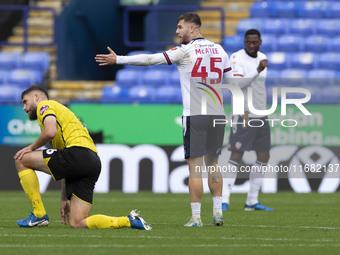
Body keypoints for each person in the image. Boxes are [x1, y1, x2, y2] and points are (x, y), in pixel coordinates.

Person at [95, 12, 232, 227]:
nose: (176, 32)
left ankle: (196, 218)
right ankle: (218, 212)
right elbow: (230, 79)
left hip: (194, 115)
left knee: (195, 167)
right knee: (213, 164)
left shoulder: (185, 51)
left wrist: (119, 59)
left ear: (193, 29)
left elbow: (151, 59)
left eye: (180, 27)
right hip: (216, 114)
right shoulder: (220, 49)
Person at [14, 85, 151, 230]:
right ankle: (129, 221)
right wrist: (63, 198)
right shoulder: (64, 116)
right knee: (78, 222)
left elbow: (50, 132)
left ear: (36, 97)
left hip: (77, 154)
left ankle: (39, 214)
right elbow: (65, 164)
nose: (24, 108)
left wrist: (30, 148)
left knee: (21, 159)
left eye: (25, 101)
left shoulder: (44, 105)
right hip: (92, 161)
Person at [222, 29, 273, 211]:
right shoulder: (237, 58)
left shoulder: (264, 56)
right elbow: (237, 85)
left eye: (255, 42)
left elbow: (259, 89)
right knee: (237, 154)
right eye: (249, 42)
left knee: (264, 155)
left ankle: (251, 201)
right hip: (244, 113)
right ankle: (224, 200)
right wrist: (257, 70)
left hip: (261, 114)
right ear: (244, 42)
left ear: (260, 41)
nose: (252, 45)